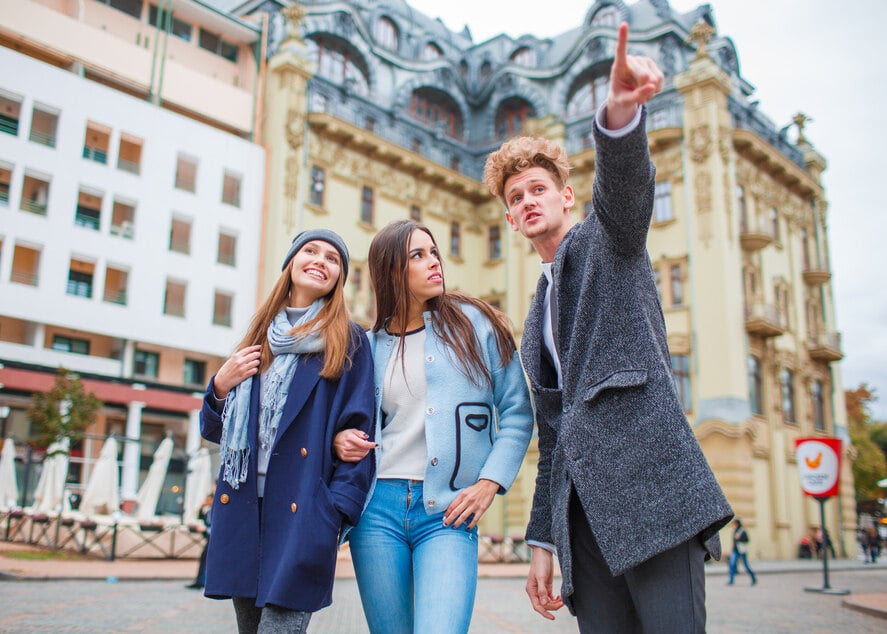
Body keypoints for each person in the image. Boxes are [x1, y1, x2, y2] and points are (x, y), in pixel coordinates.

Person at [481, 23, 733, 632]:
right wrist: (542, 539)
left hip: (653, 494)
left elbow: (626, 188)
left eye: (538, 188)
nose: (527, 201)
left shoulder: (609, 241)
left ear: (568, 197)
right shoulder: (536, 311)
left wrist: (620, 114)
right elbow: (554, 433)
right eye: (515, 198)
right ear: (511, 220)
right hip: (583, 517)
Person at [334, 219, 534, 634]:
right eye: (418, 256)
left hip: (448, 512)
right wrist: (340, 439)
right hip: (377, 511)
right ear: (392, 272)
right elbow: (344, 421)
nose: (434, 263)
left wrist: (489, 483)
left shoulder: (475, 325)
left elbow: (517, 413)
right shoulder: (368, 347)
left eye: (434, 252)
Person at [199, 229, 376, 633]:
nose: (320, 260)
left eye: (333, 258)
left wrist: (335, 510)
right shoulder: (259, 336)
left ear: (339, 278)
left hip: (302, 511)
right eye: (310, 251)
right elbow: (215, 431)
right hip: (244, 505)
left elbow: (358, 432)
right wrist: (220, 386)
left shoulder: (348, 340)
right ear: (291, 264)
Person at [185, 490, 214, 590]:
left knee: (207, 559)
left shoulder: (215, 507)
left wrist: (206, 529)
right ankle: (200, 580)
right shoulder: (207, 509)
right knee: (204, 558)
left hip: (212, 537)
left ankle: (203, 581)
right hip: (209, 536)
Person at [728, 519, 756, 585]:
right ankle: (731, 580)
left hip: (742, 551)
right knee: (732, 565)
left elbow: (747, 540)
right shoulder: (735, 531)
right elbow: (734, 542)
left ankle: (753, 578)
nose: (733, 525)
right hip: (735, 551)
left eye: (734, 524)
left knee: (746, 566)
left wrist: (739, 538)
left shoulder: (742, 531)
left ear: (737, 524)